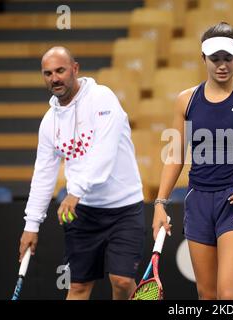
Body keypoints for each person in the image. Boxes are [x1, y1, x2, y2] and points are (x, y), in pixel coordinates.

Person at [152, 22, 233, 300]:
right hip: (198, 201)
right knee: (207, 295)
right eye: (215, 59)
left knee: (229, 295)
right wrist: (160, 204)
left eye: (228, 58)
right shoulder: (185, 101)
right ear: (203, 59)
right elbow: (175, 154)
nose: (222, 65)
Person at [18, 47, 145, 300]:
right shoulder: (48, 123)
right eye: (48, 73)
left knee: (121, 281)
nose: (55, 78)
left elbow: (104, 153)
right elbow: (43, 174)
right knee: (77, 287)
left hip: (124, 208)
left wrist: (76, 191)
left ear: (75, 69)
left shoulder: (102, 99)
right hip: (83, 212)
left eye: (60, 70)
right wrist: (31, 225)